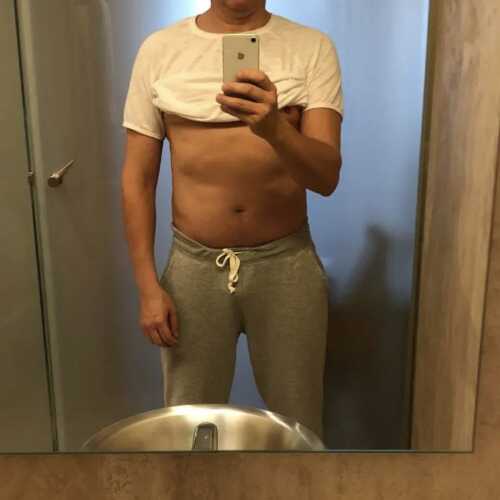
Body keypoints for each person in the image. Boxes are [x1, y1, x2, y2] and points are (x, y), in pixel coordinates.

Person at [120, 0, 343, 440]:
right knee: (189, 426)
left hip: (287, 264)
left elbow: (326, 178)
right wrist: (147, 286)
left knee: (299, 425)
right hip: (193, 267)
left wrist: (275, 128)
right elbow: (137, 180)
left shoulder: (311, 47)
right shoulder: (159, 50)